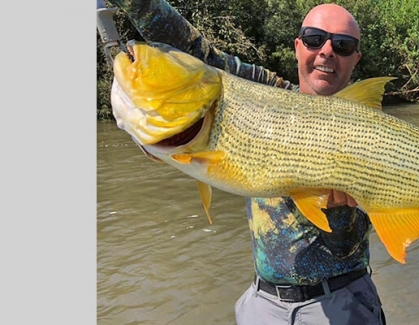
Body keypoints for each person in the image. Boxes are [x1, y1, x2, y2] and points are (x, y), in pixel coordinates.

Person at [106, 1, 386, 324]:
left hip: (341, 302)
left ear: (356, 59)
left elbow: (349, 249)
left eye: (343, 45)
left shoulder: (372, 135)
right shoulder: (258, 92)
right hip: (263, 303)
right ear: (297, 47)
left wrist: (340, 215)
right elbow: (198, 54)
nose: (326, 51)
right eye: (313, 38)